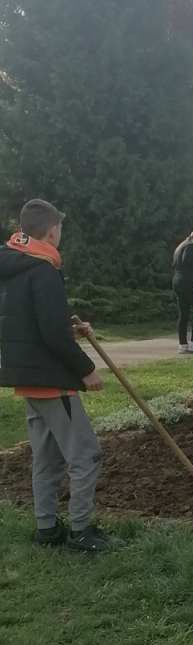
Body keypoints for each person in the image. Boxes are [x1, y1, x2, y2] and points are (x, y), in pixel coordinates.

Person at [0, 198, 110, 553]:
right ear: (51, 230)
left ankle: (47, 528)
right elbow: (49, 333)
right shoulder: (43, 268)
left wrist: (68, 328)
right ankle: (82, 531)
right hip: (51, 379)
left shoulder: (14, 265)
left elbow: (26, 322)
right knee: (86, 454)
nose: (60, 233)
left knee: (46, 458)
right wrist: (86, 369)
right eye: (60, 227)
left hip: (27, 376)